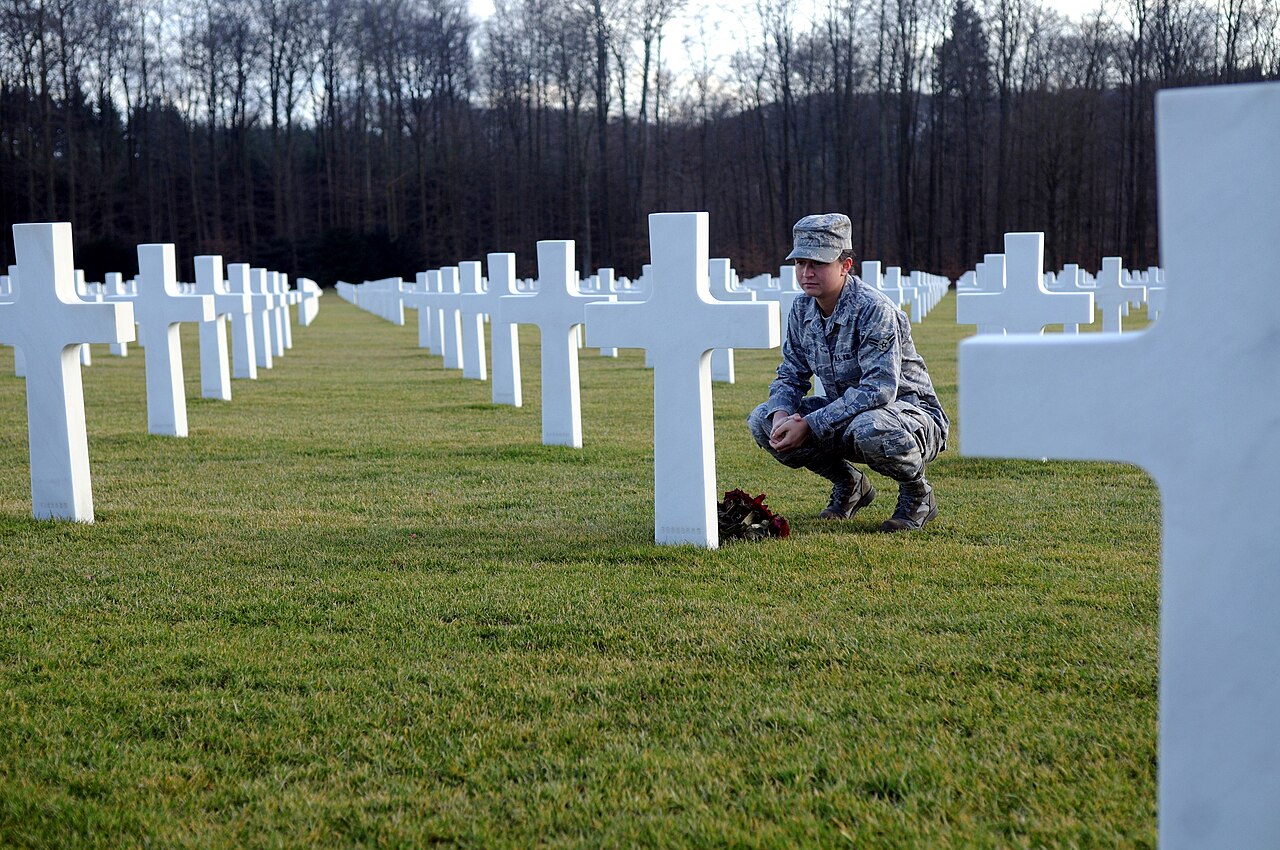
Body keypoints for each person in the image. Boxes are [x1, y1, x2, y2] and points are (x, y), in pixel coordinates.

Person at [747, 214, 949, 532]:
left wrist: (809, 423)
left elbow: (879, 389)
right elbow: (790, 373)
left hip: (908, 418)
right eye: (800, 263)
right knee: (762, 420)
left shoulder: (874, 310)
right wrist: (782, 415)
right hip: (845, 415)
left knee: (869, 426)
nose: (806, 272)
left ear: (846, 265)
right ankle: (850, 484)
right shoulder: (802, 309)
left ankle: (917, 494)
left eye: (818, 263)